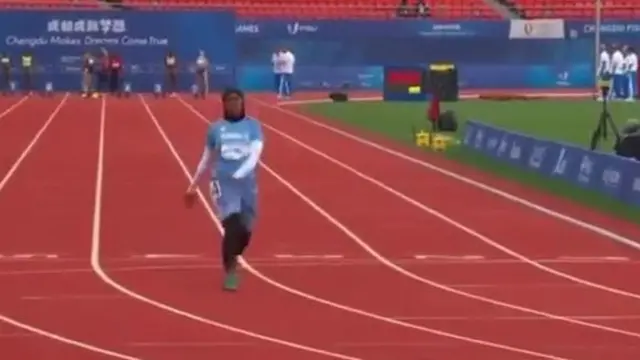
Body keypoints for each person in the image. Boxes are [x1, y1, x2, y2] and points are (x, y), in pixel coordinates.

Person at [184, 88, 264, 291]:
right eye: (229, 101)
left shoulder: (253, 127)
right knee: (232, 224)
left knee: (245, 231)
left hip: (247, 184)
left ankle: (234, 256)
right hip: (222, 182)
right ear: (224, 104)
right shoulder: (216, 129)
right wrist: (193, 185)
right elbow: (206, 158)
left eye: (237, 100)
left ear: (243, 102)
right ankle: (230, 272)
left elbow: (255, 155)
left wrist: (241, 174)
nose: (234, 104)